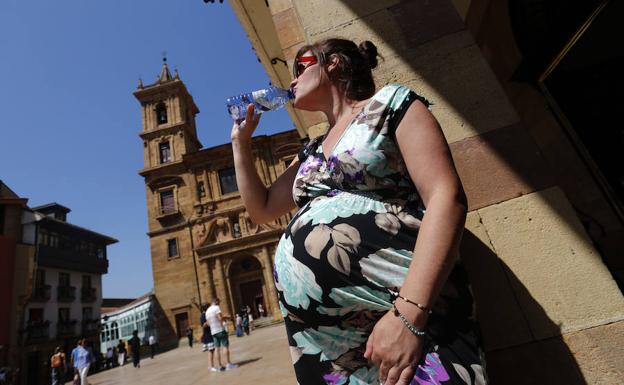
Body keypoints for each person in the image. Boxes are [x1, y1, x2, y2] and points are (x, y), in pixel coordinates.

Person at [231, 38, 486, 385]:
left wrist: (408, 317)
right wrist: (240, 143)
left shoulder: (391, 103)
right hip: (329, 350)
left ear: (333, 62)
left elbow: (446, 196)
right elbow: (261, 209)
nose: (291, 81)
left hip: (406, 316)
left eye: (301, 67)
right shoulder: (310, 152)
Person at [205, 298, 238, 371]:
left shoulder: (207, 311)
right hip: (220, 330)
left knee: (217, 348)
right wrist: (226, 317)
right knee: (225, 346)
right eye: (219, 302)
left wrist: (213, 325)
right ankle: (228, 364)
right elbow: (220, 318)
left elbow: (207, 323)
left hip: (213, 332)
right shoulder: (216, 308)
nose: (219, 304)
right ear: (216, 302)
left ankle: (219, 366)